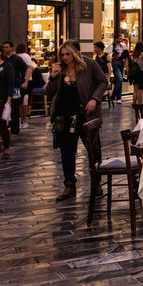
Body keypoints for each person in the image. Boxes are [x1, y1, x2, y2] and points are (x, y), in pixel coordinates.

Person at [47, 41, 108, 202]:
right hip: (63, 117)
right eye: (63, 55)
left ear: (75, 53)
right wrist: (53, 77)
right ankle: (69, 184)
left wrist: (95, 99)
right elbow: (50, 92)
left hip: (85, 115)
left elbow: (103, 81)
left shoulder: (89, 65)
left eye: (68, 54)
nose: (65, 58)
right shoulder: (59, 68)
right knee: (66, 153)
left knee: (93, 150)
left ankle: (96, 182)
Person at [2, 41, 30, 140]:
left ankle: (15, 131)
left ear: (12, 48)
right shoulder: (2, 59)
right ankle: (7, 129)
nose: (5, 49)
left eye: (7, 47)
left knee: (14, 109)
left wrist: (25, 81)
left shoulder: (17, 59)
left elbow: (28, 69)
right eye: (4, 47)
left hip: (15, 87)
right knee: (5, 108)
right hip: (4, 87)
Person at [15, 43, 35, 129]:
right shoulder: (26, 56)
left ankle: (19, 120)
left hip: (18, 81)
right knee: (25, 101)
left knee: (19, 101)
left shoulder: (15, 57)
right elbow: (31, 67)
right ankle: (24, 120)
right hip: (27, 80)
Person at [110, 39, 126, 103]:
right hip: (115, 64)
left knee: (119, 81)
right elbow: (109, 55)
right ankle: (114, 96)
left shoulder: (123, 45)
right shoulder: (112, 46)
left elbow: (126, 53)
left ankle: (118, 97)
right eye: (119, 38)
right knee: (120, 79)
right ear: (116, 39)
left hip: (121, 64)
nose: (120, 39)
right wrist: (114, 55)